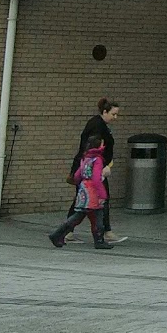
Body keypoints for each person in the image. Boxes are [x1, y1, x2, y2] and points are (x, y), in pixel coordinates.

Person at [65, 98, 125, 243]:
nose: (115, 118)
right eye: (113, 114)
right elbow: (92, 148)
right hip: (94, 169)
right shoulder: (97, 126)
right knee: (96, 199)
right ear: (105, 111)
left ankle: (68, 232)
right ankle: (104, 232)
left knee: (82, 200)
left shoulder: (100, 124)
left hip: (92, 167)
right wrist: (102, 166)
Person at [49, 135, 114, 250]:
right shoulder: (97, 159)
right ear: (99, 145)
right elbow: (96, 178)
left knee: (78, 215)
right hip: (93, 191)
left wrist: (82, 185)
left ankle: (57, 234)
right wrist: (103, 194)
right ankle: (99, 240)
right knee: (98, 215)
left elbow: (77, 175)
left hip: (83, 190)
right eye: (102, 143)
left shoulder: (85, 158)